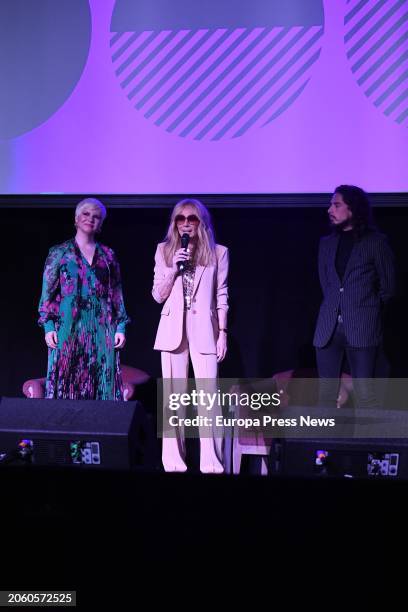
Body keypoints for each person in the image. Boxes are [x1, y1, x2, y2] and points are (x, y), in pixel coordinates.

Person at [152, 198, 228, 473]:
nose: (186, 223)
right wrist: (174, 267)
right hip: (173, 331)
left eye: (192, 218)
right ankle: (174, 464)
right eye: (180, 219)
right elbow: (158, 295)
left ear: (201, 222)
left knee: (209, 399)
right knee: (174, 399)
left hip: (205, 331)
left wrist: (223, 333)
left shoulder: (218, 253)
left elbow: (222, 295)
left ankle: (212, 464)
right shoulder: (164, 251)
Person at [38, 198, 129, 400]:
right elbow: (48, 294)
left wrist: (120, 326)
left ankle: (101, 429)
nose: (91, 219)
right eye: (86, 214)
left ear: (101, 224)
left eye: (96, 216)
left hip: (102, 327)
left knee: (103, 382)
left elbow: (116, 293)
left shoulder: (108, 255)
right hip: (68, 326)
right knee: (66, 379)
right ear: (77, 218)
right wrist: (48, 326)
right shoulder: (59, 253)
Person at [313, 185, 395, 408]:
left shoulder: (375, 242)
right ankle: (325, 444)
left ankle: (367, 443)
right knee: (326, 395)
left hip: (362, 327)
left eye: (337, 204)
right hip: (328, 328)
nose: (330, 209)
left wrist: (366, 310)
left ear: (353, 209)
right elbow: (327, 283)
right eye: (331, 204)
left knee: (366, 394)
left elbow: (388, 287)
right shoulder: (326, 244)